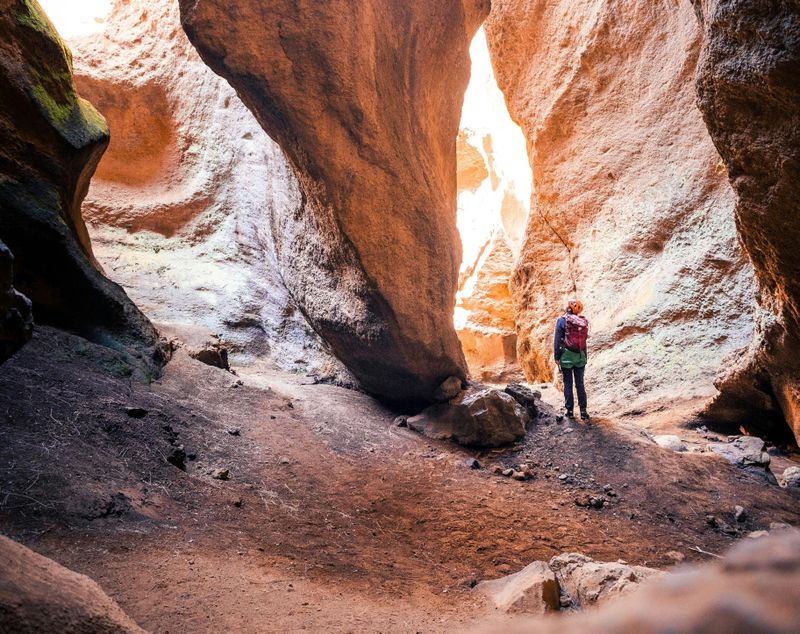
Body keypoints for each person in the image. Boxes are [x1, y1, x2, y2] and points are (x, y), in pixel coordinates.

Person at [553, 299, 589, 420]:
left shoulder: (561, 320)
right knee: (580, 383)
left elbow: (557, 339)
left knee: (568, 383)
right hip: (580, 356)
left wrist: (557, 357)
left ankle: (569, 411)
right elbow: (584, 341)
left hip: (566, 356)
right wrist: (584, 356)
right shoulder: (581, 322)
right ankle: (583, 411)